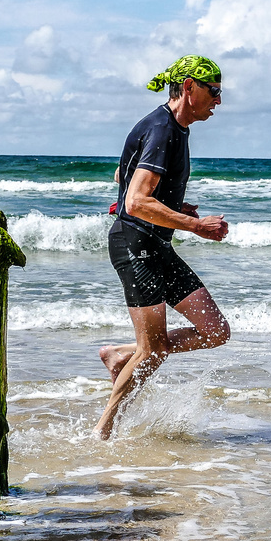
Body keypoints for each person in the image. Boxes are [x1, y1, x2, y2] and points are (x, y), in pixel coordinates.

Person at [95, 55, 232, 440]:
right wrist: (195, 225)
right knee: (153, 352)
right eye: (214, 91)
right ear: (189, 87)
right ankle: (102, 433)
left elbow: (124, 175)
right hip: (135, 246)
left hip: (155, 245)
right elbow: (137, 202)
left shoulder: (172, 128)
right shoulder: (162, 129)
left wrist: (170, 207)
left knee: (215, 330)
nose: (219, 101)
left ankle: (122, 354)